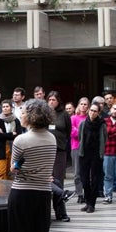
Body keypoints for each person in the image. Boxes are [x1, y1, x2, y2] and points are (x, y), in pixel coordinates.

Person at [6, 99, 60, 232]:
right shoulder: (52, 138)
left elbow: (15, 169)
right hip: (43, 195)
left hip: (22, 194)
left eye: (24, 111)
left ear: (31, 116)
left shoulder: (21, 140)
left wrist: (21, 167)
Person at [46, 91, 72, 222]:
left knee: (58, 181)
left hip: (59, 150)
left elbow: (68, 131)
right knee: (46, 182)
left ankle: (61, 212)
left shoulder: (64, 114)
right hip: (45, 151)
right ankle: (45, 212)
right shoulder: (44, 114)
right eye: (49, 99)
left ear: (58, 101)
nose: (51, 102)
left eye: (54, 100)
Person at [76, 103, 106, 213]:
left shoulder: (102, 124)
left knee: (95, 179)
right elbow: (80, 137)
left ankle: (91, 204)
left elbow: (104, 139)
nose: (92, 113)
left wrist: (101, 153)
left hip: (96, 154)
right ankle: (87, 201)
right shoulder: (83, 123)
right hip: (84, 154)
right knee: (84, 179)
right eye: (91, 110)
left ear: (98, 113)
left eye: (95, 111)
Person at [0, 99, 22, 181]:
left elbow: (19, 135)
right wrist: (12, 134)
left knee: (11, 174)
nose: (5, 108)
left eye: (7, 106)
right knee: (0, 174)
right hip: (1, 149)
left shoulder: (16, 120)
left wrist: (4, 134)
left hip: (13, 149)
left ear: (11, 108)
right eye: (3, 107)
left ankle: (8, 193)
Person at [102, 101, 116, 205]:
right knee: (108, 176)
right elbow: (104, 134)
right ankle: (108, 195)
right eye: (114, 109)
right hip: (107, 152)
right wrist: (115, 133)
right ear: (111, 109)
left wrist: (111, 133)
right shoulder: (104, 121)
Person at [69, 97, 89, 202]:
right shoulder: (73, 118)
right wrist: (83, 133)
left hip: (88, 148)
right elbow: (72, 132)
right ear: (78, 105)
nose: (83, 106)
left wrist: (80, 132)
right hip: (76, 147)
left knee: (86, 172)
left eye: (85, 104)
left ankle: (87, 193)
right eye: (81, 104)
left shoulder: (89, 118)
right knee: (77, 172)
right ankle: (79, 194)